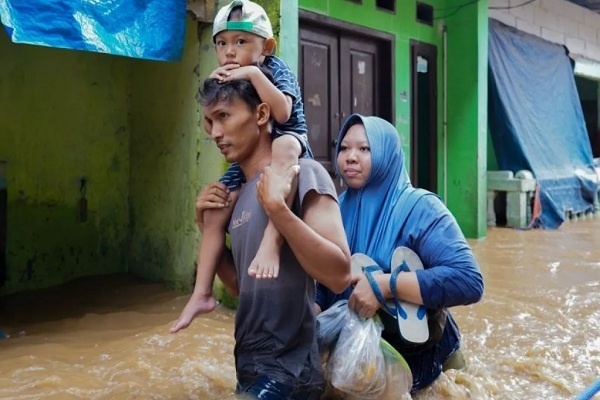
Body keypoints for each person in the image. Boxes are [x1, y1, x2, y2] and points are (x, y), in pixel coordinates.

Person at [172, 75, 352, 399]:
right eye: (209, 122)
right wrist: (207, 227)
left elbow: (340, 275)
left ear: (261, 115)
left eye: (224, 116)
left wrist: (279, 212)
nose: (215, 133)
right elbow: (243, 286)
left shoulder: (305, 174)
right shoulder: (236, 196)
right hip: (250, 368)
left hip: (290, 373)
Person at [315, 114, 484, 392]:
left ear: (386, 154)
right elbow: (326, 278)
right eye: (344, 148)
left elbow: (468, 280)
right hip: (360, 360)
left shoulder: (421, 209)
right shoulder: (332, 210)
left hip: (426, 359)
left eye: (364, 149)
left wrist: (385, 285)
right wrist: (314, 311)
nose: (350, 157)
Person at [187, 0, 313, 319]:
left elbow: (283, 113)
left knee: (284, 149)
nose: (230, 52)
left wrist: (253, 75)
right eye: (222, 43)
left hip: (290, 137)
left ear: (266, 47)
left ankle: (272, 240)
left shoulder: (273, 69)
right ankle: (200, 294)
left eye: (241, 42)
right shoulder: (227, 79)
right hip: (255, 331)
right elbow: (209, 118)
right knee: (215, 207)